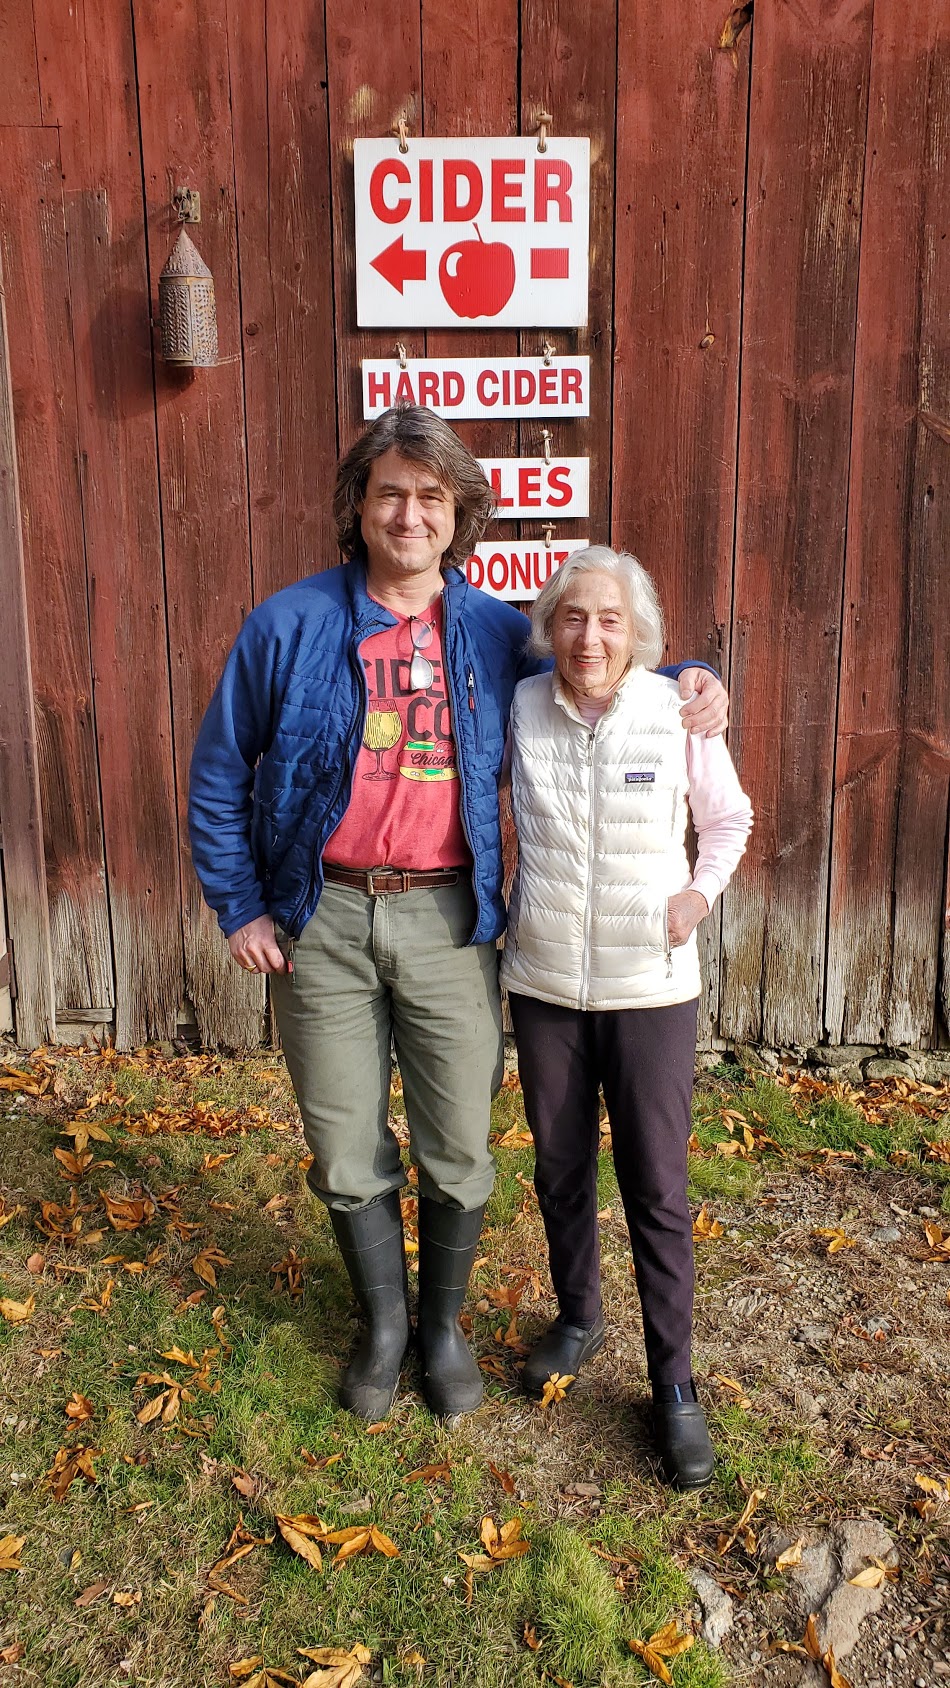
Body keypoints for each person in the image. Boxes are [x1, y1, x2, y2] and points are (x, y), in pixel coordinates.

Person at [188, 408, 730, 1424]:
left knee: (457, 1141)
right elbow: (221, 770)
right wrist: (238, 903)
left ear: (457, 516)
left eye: (430, 497)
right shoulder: (287, 625)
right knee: (345, 1142)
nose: (408, 513)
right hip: (325, 920)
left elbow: (588, 674)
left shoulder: (489, 630)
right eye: (390, 492)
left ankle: (438, 1328)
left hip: (446, 918)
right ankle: (382, 1326)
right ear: (358, 505)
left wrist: (682, 679)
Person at [500, 545, 752, 1488]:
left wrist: (698, 895)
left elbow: (729, 818)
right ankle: (577, 1315)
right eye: (572, 617)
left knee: (655, 1185)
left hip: (651, 986)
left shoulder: (677, 710)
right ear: (549, 630)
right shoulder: (523, 707)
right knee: (560, 1168)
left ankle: (674, 1384)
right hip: (547, 984)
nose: (590, 636)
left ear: (638, 633)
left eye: (609, 620)